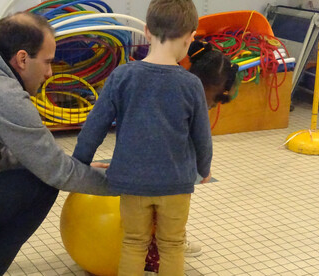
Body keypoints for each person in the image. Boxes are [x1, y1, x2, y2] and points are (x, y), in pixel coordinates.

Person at [0, 12, 113, 276]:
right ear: (23, 59)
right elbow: (56, 173)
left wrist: (75, 167)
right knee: (42, 185)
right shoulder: (5, 97)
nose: (50, 72)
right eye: (48, 62)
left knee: (39, 173)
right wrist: (122, 183)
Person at [73, 0, 212, 275]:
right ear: (190, 37)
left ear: (146, 31)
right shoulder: (191, 84)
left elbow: (95, 125)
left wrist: (79, 161)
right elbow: (202, 136)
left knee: (134, 243)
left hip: (132, 182)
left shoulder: (122, 75)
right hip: (176, 184)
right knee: (172, 245)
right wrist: (203, 169)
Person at [144, 40, 239, 274]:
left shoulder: (178, 87)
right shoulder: (191, 96)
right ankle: (156, 257)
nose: (212, 106)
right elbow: (202, 141)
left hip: (153, 171)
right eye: (214, 99)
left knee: (158, 220)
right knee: (165, 223)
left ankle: (155, 252)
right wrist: (204, 168)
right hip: (171, 177)